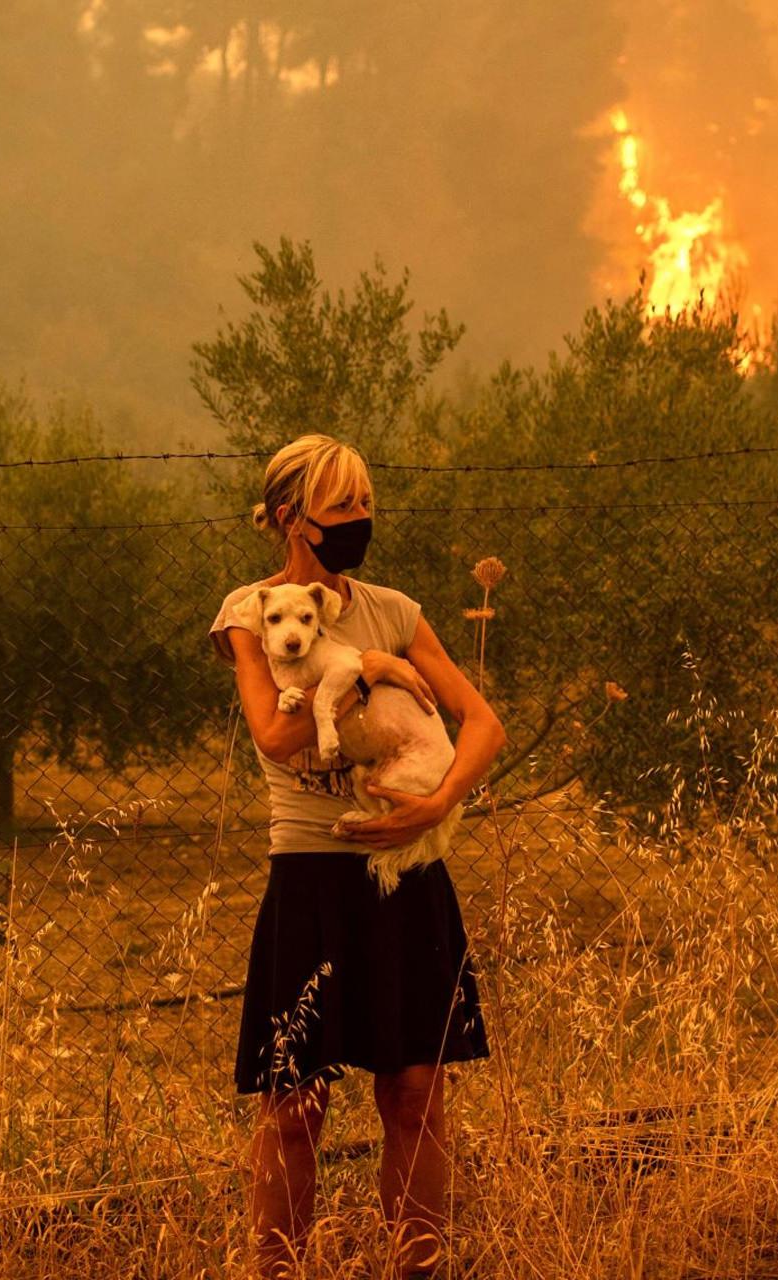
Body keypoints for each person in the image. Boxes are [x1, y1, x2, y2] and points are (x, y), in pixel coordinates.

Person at [208, 433, 507, 1279]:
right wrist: (368, 669)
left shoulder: (397, 610)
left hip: (409, 874)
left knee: (414, 1094)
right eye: (343, 507)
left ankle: (419, 1268)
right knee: (295, 1107)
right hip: (309, 875)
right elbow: (274, 730)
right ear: (289, 517)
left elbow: (484, 725)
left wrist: (437, 804)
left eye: (366, 504)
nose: (359, 521)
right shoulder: (251, 612)